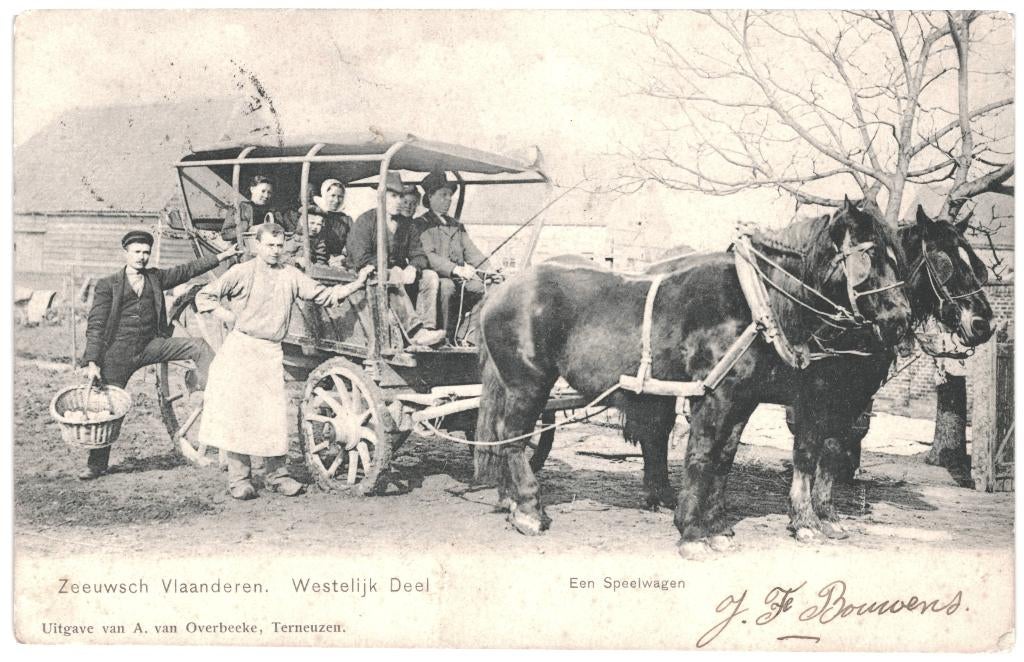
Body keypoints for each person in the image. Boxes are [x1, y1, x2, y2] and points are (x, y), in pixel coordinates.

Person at [195, 223, 375, 500]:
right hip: (241, 348)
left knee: (271, 415)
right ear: (257, 245)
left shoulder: (291, 275)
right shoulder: (241, 272)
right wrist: (227, 316)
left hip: (270, 350)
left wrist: (357, 284)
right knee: (238, 412)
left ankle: (277, 476)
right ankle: (239, 479)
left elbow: (325, 296)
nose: (275, 251)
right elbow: (204, 296)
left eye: (279, 246)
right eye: (269, 245)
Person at [78, 231, 239, 480]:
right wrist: (92, 362)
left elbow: (186, 270)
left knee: (198, 346)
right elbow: (96, 325)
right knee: (107, 407)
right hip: (118, 354)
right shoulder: (107, 284)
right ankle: (96, 463)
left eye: (146, 252)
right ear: (126, 253)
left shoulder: (155, 277)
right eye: (137, 252)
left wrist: (221, 256)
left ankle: (208, 387)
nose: (142, 257)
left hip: (151, 345)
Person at [347, 172, 445, 347]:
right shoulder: (365, 221)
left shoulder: (407, 224)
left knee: (430, 276)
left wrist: (413, 268)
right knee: (391, 275)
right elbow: (359, 258)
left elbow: (419, 254)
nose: (399, 201)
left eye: (401, 196)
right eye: (393, 196)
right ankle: (414, 330)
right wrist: (391, 269)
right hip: (367, 278)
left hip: (397, 277)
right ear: (381, 197)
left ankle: (427, 329)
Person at [415, 170, 493, 341]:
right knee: (447, 287)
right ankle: (443, 336)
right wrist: (456, 269)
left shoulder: (456, 226)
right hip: (432, 278)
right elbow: (429, 256)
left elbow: (472, 252)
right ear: (430, 196)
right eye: (443, 195)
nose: (448, 199)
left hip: (458, 276)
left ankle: (464, 334)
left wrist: (490, 270)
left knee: (484, 289)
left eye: (450, 195)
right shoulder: (421, 224)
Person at [221, 175, 282, 242]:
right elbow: (225, 234)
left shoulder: (274, 212)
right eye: (263, 191)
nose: (266, 196)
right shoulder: (239, 208)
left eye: (269, 192)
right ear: (252, 189)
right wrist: (244, 228)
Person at [312, 179, 352, 260]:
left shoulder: (347, 220)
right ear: (324, 195)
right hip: (316, 258)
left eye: (340, 197)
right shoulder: (314, 215)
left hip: (337, 260)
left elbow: (351, 243)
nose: (336, 200)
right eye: (333, 195)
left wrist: (343, 257)